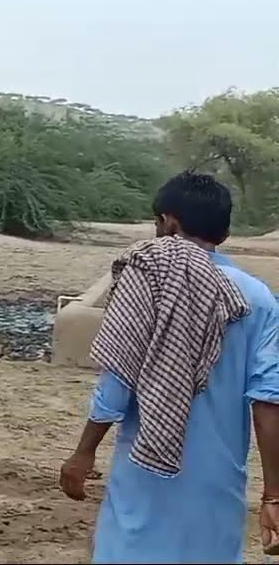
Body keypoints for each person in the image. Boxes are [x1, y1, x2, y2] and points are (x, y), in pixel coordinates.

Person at [59, 170, 279, 563]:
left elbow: (117, 381)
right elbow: (268, 401)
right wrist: (273, 495)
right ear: (224, 235)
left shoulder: (149, 280)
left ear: (168, 224)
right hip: (219, 480)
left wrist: (83, 452)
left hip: (144, 466)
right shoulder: (258, 298)